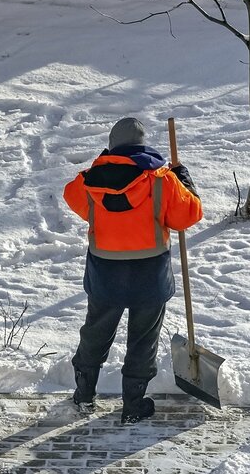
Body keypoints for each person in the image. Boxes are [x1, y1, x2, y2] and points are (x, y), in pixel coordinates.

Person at [62, 117, 203, 424]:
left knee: (95, 333)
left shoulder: (89, 181)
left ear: (111, 146)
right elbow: (188, 215)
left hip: (104, 275)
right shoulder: (161, 181)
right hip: (149, 276)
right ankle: (133, 405)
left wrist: (101, 165)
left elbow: (70, 195)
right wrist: (184, 181)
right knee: (143, 341)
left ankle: (84, 393)